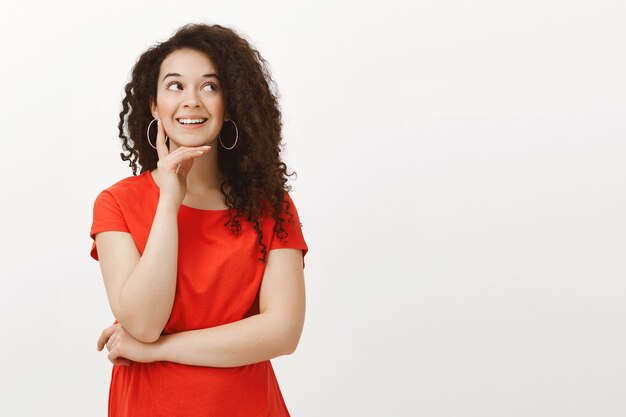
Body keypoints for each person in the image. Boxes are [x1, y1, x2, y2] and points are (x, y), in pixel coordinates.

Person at [88, 23, 309, 417]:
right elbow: (142, 322)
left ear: (231, 102)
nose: (191, 100)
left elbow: (283, 332)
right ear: (154, 105)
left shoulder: (272, 206)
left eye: (209, 86)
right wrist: (169, 201)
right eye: (175, 86)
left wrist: (154, 351)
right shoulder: (117, 203)